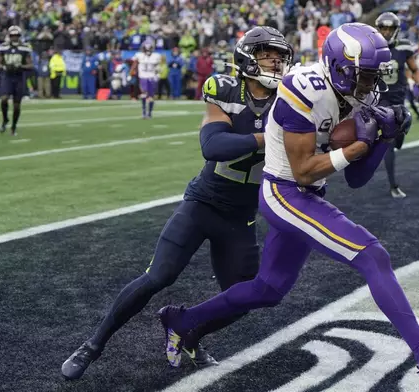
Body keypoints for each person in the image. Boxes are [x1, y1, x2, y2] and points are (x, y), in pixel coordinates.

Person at [158, 23, 419, 391]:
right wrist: (356, 147)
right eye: (363, 74)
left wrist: (385, 138)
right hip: (285, 193)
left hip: (307, 194)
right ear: (340, 66)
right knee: (372, 255)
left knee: (268, 289)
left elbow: (356, 179)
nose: (369, 83)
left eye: (373, 75)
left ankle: (180, 320)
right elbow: (304, 171)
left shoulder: (359, 96)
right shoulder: (303, 87)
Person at [60, 26, 294, 380]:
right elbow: (213, 146)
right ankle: (92, 345)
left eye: (280, 56)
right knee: (158, 276)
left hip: (242, 216)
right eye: (267, 54)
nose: (275, 62)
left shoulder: (291, 100)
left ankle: (190, 334)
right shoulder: (227, 90)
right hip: (204, 204)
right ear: (247, 57)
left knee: (247, 295)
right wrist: (270, 136)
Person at [375, 11, 419, 199]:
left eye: (390, 28)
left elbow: (415, 69)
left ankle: (400, 132)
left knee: (399, 137)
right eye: (383, 28)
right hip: (380, 100)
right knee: (390, 142)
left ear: (396, 30)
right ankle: (393, 185)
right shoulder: (372, 48)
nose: (386, 32)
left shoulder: (404, 47)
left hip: (399, 99)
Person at [0, 26, 33, 136]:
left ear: (19, 36)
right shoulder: (3, 47)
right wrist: (4, 67)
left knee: (16, 105)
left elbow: (30, 64)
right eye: (12, 36)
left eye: (16, 36)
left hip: (19, 77)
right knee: (4, 99)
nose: (14, 38)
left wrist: (20, 66)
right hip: (7, 76)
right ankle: (5, 119)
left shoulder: (24, 48)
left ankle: (13, 126)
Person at [133, 40, 161, 118]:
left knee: (150, 96)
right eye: (146, 49)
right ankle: (144, 112)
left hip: (151, 77)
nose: (148, 51)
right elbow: (134, 64)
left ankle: (149, 112)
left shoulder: (155, 56)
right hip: (143, 77)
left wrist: (157, 74)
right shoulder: (139, 55)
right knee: (144, 94)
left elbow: (158, 67)